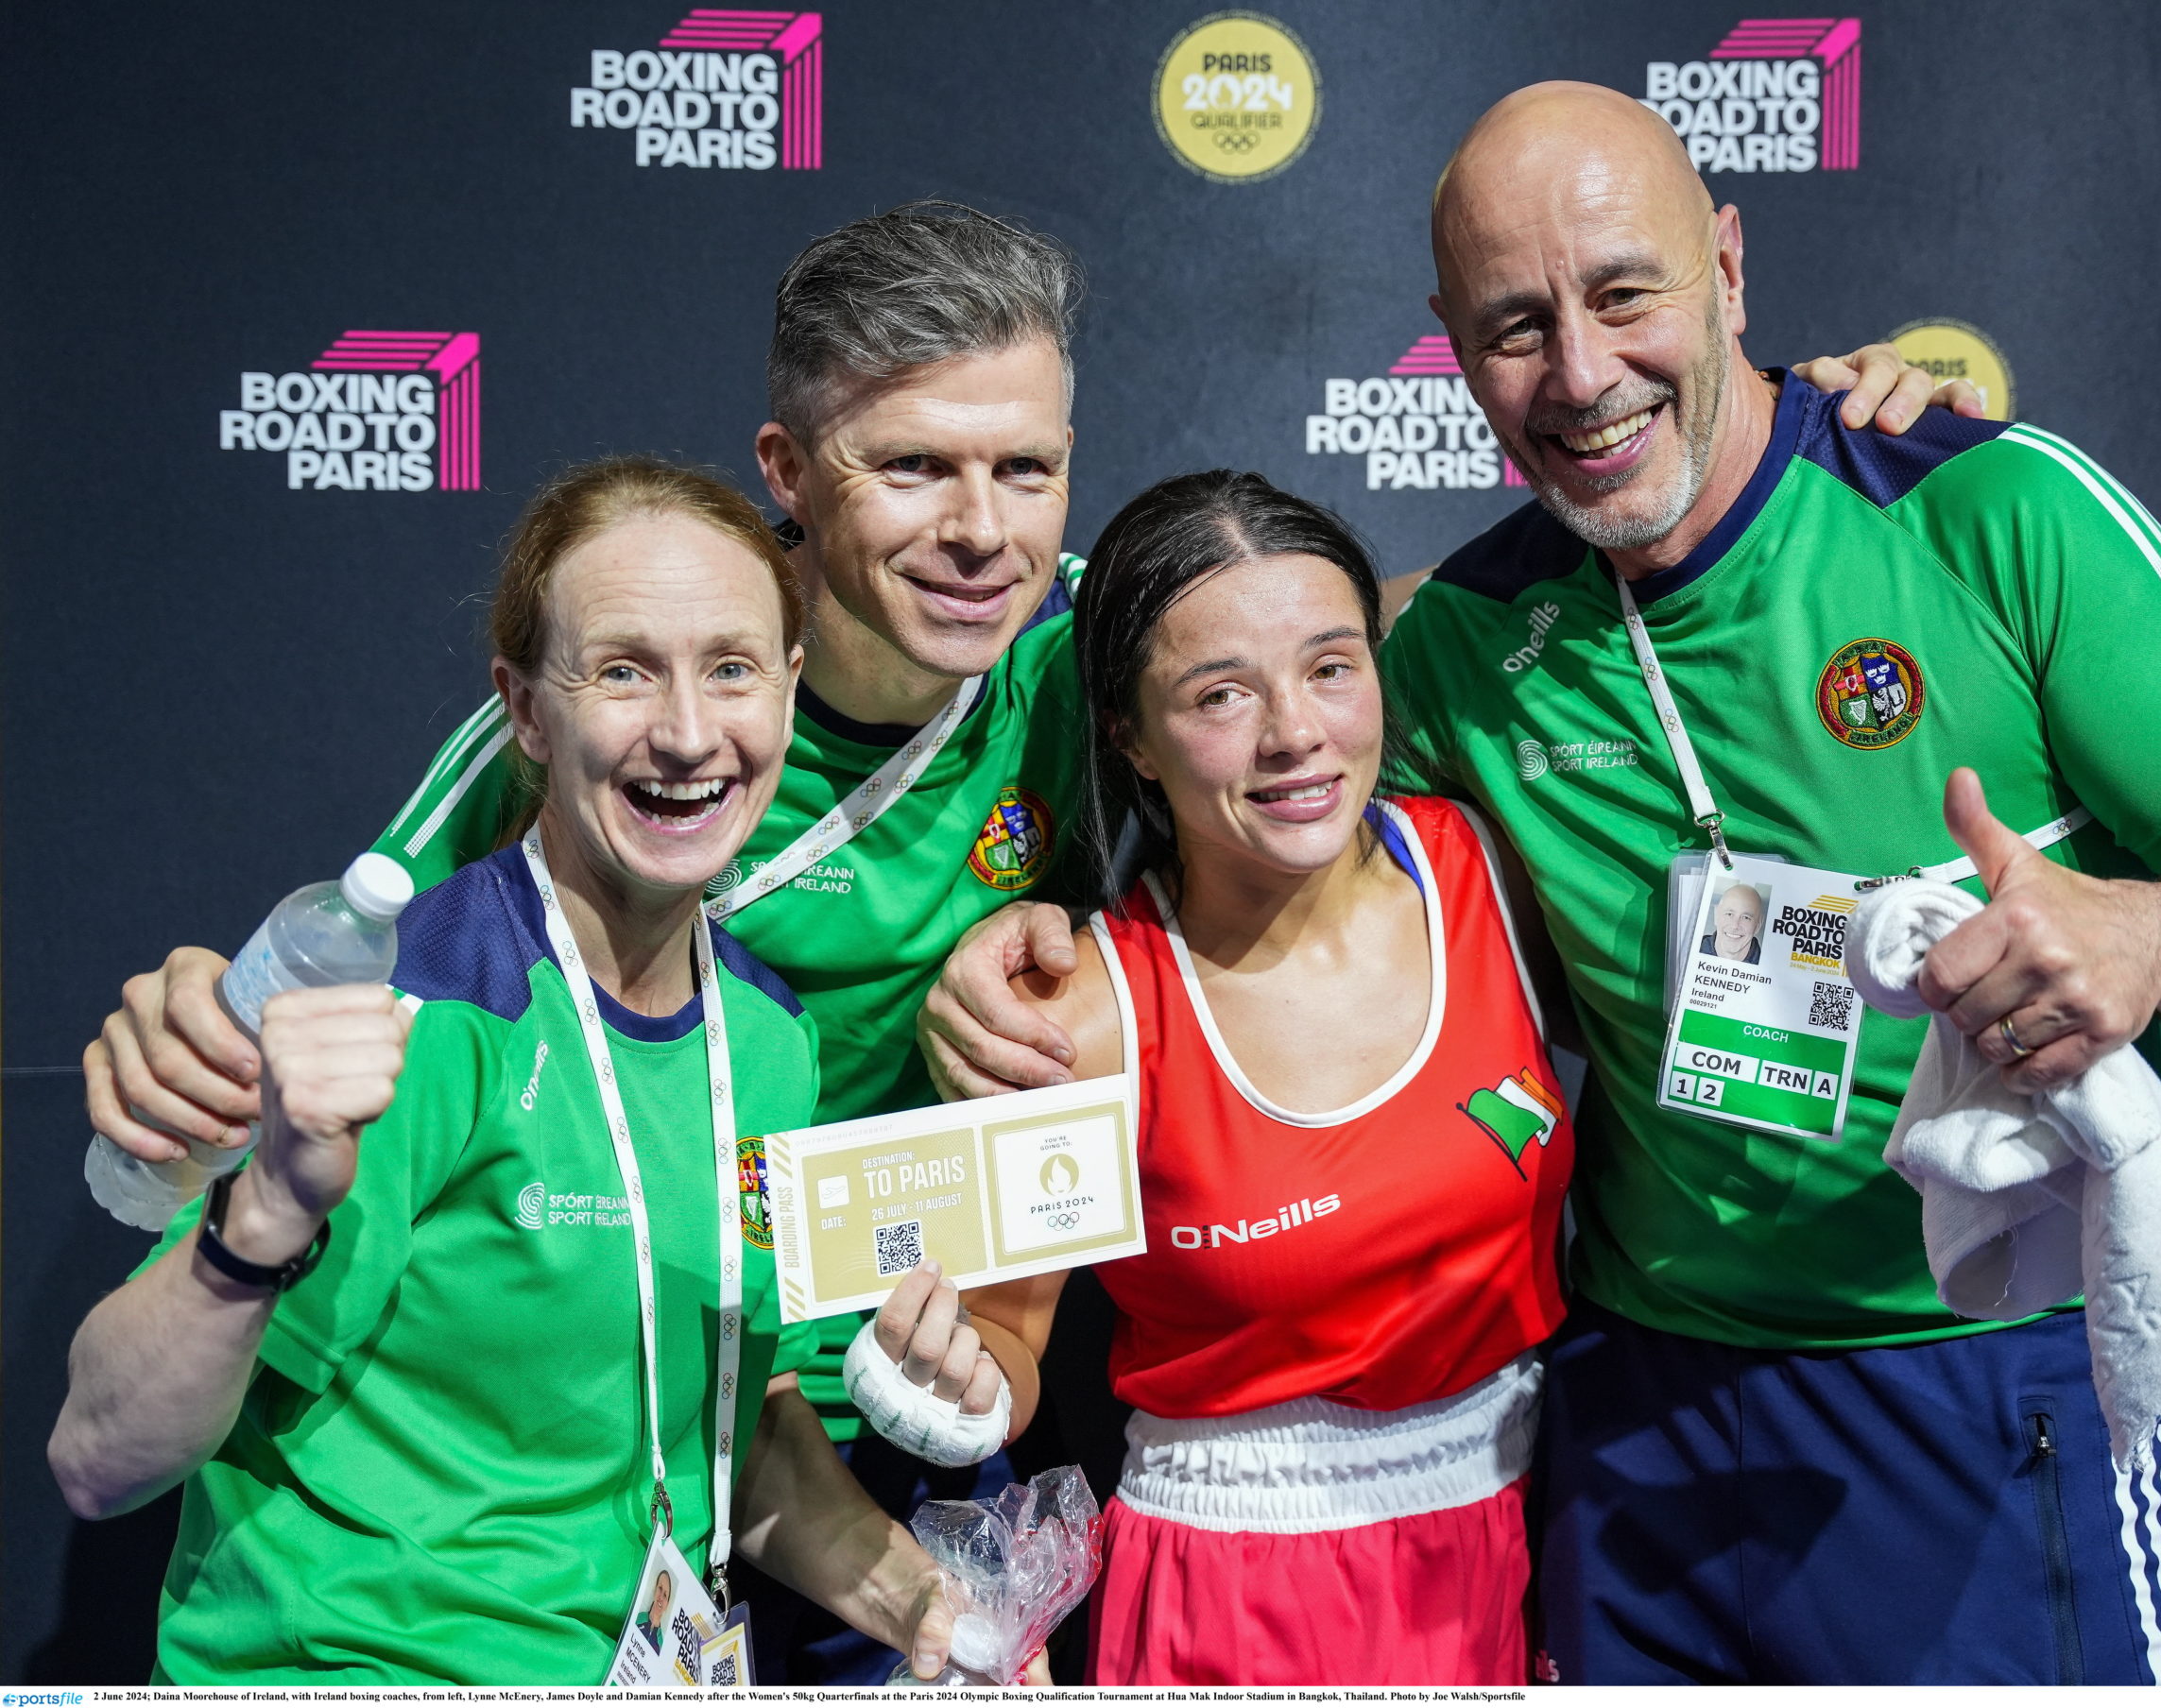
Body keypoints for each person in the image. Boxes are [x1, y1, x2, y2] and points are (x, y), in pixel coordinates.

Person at [85, 199, 1959, 1676]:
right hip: (581, 1425)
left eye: (1025, 470)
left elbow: (1334, 636)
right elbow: (334, 975)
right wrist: (192, 1027)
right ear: (788, 472)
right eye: (913, 468)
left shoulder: (1088, 656)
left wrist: (1769, 432)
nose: (980, 532)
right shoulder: (665, 708)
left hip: (895, 1415)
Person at [921, 88, 2161, 1687]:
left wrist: (2153, 932)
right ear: (1451, 347)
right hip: (1628, 1427)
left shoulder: (1989, 510)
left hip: (1975, 1387)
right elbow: (1241, 659)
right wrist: (1031, 921)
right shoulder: (1467, 642)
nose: (1580, 373)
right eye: (1515, 326)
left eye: (1628, 293)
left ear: (1730, 268)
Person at [48, 459, 1016, 1684]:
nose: (688, 733)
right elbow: (99, 1453)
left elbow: (731, 1425)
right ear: (524, 710)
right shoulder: (423, 1011)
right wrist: (262, 1220)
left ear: (788, 685)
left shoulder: (770, 1041)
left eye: (731, 668)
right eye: (623, 671)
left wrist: (929, 1606)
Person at [887, 470, 1573, 1684]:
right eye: (1220, 693)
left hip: (1526, 1546)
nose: (1293, 731)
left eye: (1330, 667)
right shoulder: (1082, 1011)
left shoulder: (1491, 868)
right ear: (1129, 734)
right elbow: (1006, 1341)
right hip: (1239, 1599)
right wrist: (947, 1380)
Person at [1701, 882, 1764, 964]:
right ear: (1716, 915)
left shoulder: (1768, 966)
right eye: (1729, 914)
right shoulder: (1690, 948)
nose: (1735, 925)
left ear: (1758, 925)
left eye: (1746, 917)